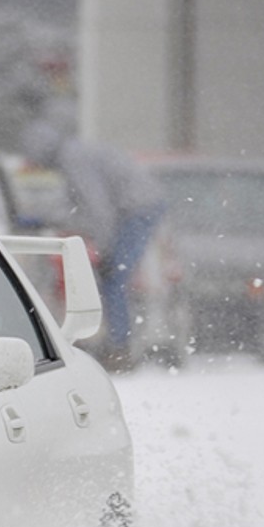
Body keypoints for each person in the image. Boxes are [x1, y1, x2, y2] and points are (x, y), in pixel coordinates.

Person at [19, 120, 167, 367]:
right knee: (113, 277)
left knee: (114, 277)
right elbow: (77, 206)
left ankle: (120, 349)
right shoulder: (73, 153)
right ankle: (118, 342)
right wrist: (46, 216)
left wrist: (106, 250)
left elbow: (98, 210)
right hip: (137, 207)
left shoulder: (73, 160)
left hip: (138, 209)